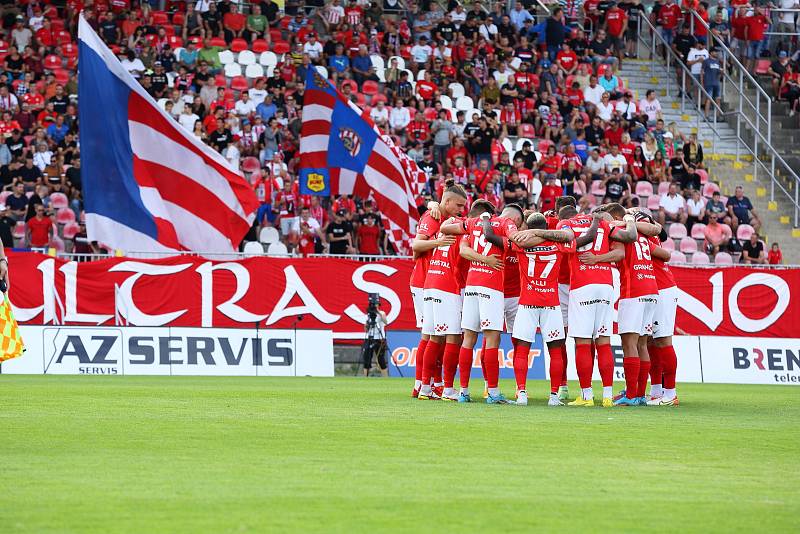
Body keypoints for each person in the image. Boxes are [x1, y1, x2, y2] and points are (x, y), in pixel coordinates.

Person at [439, 201, 522, 403]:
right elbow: (516, 239)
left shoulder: (472, 222)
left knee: (468, 338)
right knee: (492, 338)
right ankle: (493, 393)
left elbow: (445, 230)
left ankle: (464, 392)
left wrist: (455, 220)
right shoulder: (505, 223)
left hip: (472, 285)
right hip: (491, 285)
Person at [511, 212, 573, 406]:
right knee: (555, 350)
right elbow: (570, 237)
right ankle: (554, 396)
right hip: (551, 304)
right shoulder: (558, 245)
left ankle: (521, 393)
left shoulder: (521, 244)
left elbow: (514, 239)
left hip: (527, 302)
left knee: (522, 350)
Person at [414, 184, 468, 400]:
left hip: (431, 281)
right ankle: (438, 387)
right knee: (442, 336)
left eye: (464, 206)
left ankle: (427, 386)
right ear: (446, 202)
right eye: (458, 205)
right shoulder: (434, 217)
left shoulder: (441, 215)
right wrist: (439, 241)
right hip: (431, 282)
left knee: (435, 336)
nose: (461, 209)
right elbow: (416, 245)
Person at [604, 205, 659, 406]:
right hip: (651, 289)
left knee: (629, 343)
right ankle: (639, 394)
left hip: (633, 290)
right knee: (642, 343)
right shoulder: (643, 236)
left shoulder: (621, 234)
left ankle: (632, 395)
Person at [646, 222, 680, 406]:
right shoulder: (650, 236)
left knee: (663, 340)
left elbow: (666, 253)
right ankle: (656, 391)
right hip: (654, 289)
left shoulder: (648, 238)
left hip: (663, 290)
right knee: (651, 340)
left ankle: (671, 394)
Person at [362, 303, 389, 377]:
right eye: (374, 305)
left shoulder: (382, 313)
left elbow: (386, 322)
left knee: (381, 359)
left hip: (379, 338)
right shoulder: (368, 315)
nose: (375, 306)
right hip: (369, 337)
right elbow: (366, 329)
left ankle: (386, 378)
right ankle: (365, 377)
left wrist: (378, 312)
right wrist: (367, 324)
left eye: (377, 304)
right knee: (367, 359)